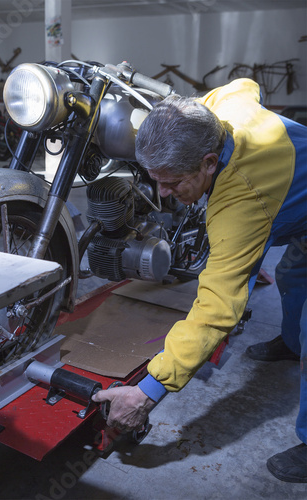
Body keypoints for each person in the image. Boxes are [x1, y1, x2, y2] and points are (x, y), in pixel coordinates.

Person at [92, 78, 307, 483]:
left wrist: (147, 392)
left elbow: (217, 311)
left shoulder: (240, 203)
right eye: (155, 178)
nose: (164, 192)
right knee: (293, 272)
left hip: (284, 196)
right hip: (294, 195)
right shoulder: (220, 108)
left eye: (173, 182)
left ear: (209, 162)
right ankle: (291, 343)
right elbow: (247, 84)